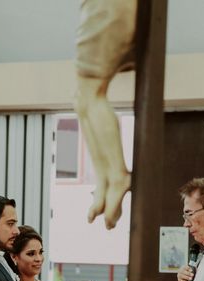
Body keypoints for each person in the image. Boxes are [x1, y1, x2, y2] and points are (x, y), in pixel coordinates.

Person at [74, 0, 137, 229]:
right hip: (100, 7)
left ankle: (118, 174)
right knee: (82, 100)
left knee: (92, 93)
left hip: (108, 6)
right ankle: (104, 180)